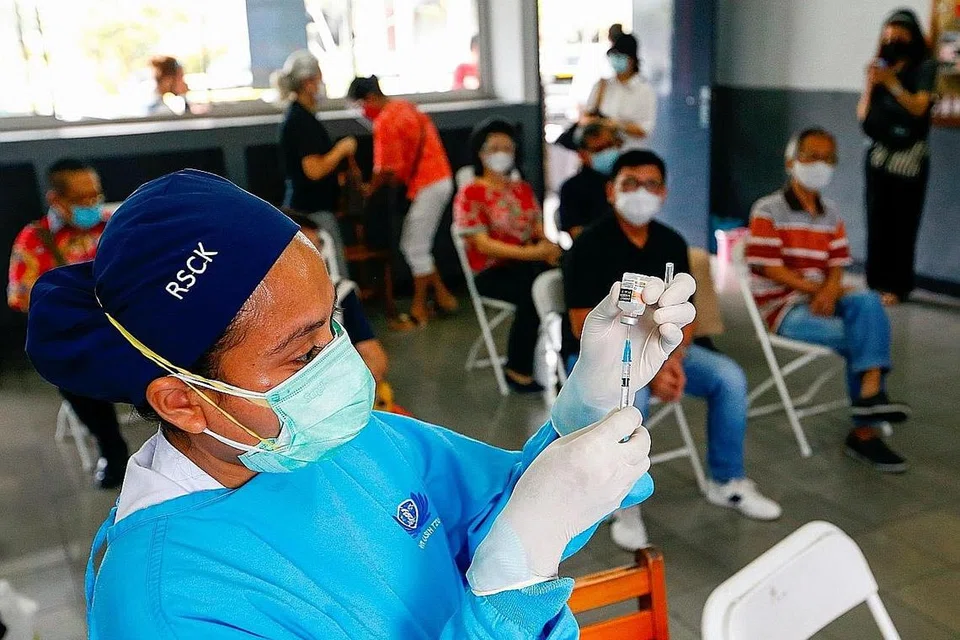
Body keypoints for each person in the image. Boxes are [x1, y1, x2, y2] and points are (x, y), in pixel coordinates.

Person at [26, 169, 696, 638]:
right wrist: (509, 588)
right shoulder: (168, 603)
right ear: (183, 403)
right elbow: (516, 552)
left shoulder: (352, 438)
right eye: (299, 354)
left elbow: (516, 511)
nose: (340, 367)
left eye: (334, 324)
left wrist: (590, 402)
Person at [563, 150, 781, 550]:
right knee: (634, 397)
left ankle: (726, 480)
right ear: (611, 191)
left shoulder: (670, 242)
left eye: (650, 184)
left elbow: (686, 314)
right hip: (603, 358)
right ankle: (621, 500)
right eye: (630, 183)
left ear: (663, 192)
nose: (640, 193)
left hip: (663, 351)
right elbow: (581, 325)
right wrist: (649, 366)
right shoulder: (588, 245)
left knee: (729, 378)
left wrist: (671, 359)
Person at [747, 128, 912, 473]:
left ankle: (868, 396)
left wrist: (829, 289)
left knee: (868, 302)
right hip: (784, 308)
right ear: (791, 161)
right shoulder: (768, 209)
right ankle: (865, 431)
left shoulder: (831, 213)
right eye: (811, 155)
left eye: (828, 157)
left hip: (824, 299)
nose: (820, 164)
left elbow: (837, 264)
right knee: (864, 338)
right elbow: (768, 267)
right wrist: (815, 291)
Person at [8, 159, 128, 489]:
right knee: (72, 374)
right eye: (82, 199)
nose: (93, 204)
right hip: (83, 338)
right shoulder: (36, 240)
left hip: (128, 327)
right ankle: (112, 448)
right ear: (56, 200)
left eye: (96, 195)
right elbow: (19, 297)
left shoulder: (112, 226)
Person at [453, 119, 562, 393]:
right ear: (481, 152)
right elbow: (482, 245)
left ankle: (569, 363)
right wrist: (531, 253)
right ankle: (518, 368)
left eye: (507, 147)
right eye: (494, 147)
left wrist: (549, 248)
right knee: (533, 293)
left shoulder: (521, 189)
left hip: (528, 263)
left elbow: (537, 229)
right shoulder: (471, 192)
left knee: (570, 278)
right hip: (492, 272)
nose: (501, 153)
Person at [347, 75, 458, 327]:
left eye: (360, 105)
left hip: (427, 184)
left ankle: (419, 309)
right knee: (418, 244)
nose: (361, 111)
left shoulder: (385, 121)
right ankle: (444, 297)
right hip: (439, 178)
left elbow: (386, 170)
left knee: (414, 247)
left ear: (371, 98)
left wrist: (367, 190)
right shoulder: (405, 107)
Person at [857, 9, 937, 306]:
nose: (893, 41)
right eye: (888, 36)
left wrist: (892, 83)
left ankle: (897, 285)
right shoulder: (880, 67)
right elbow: (863, 114)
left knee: (901, 224)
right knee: (876, 220)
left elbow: (919, 107)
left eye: (899, 36)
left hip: (909, 159)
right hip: (878, 156)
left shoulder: (925, 68)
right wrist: (870, 84)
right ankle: (875, 282)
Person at [275, 50, 357, 279]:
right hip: (312, 211)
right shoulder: (300, 121)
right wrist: (341, 150)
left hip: (311, 207)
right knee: (335, 277)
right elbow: (314, 169)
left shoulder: (302, 117)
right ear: (308, 82)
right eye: (319, 78)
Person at [581, 33, 656, 149]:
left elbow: (644, 130)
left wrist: (617, 125)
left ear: (632, 60)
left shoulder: (644, 91)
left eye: (621, 56)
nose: (616, 60)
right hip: (600, 152)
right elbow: (585, 117)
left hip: (629, 154)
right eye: (614, 56)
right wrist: (598, 123)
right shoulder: (602, 86)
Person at [558, 122, 622, 239]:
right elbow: (576, 233)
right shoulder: (572, 188)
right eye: (599, 150)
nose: (607, 153)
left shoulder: (626, 182)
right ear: (582, 154)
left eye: (610, 146)